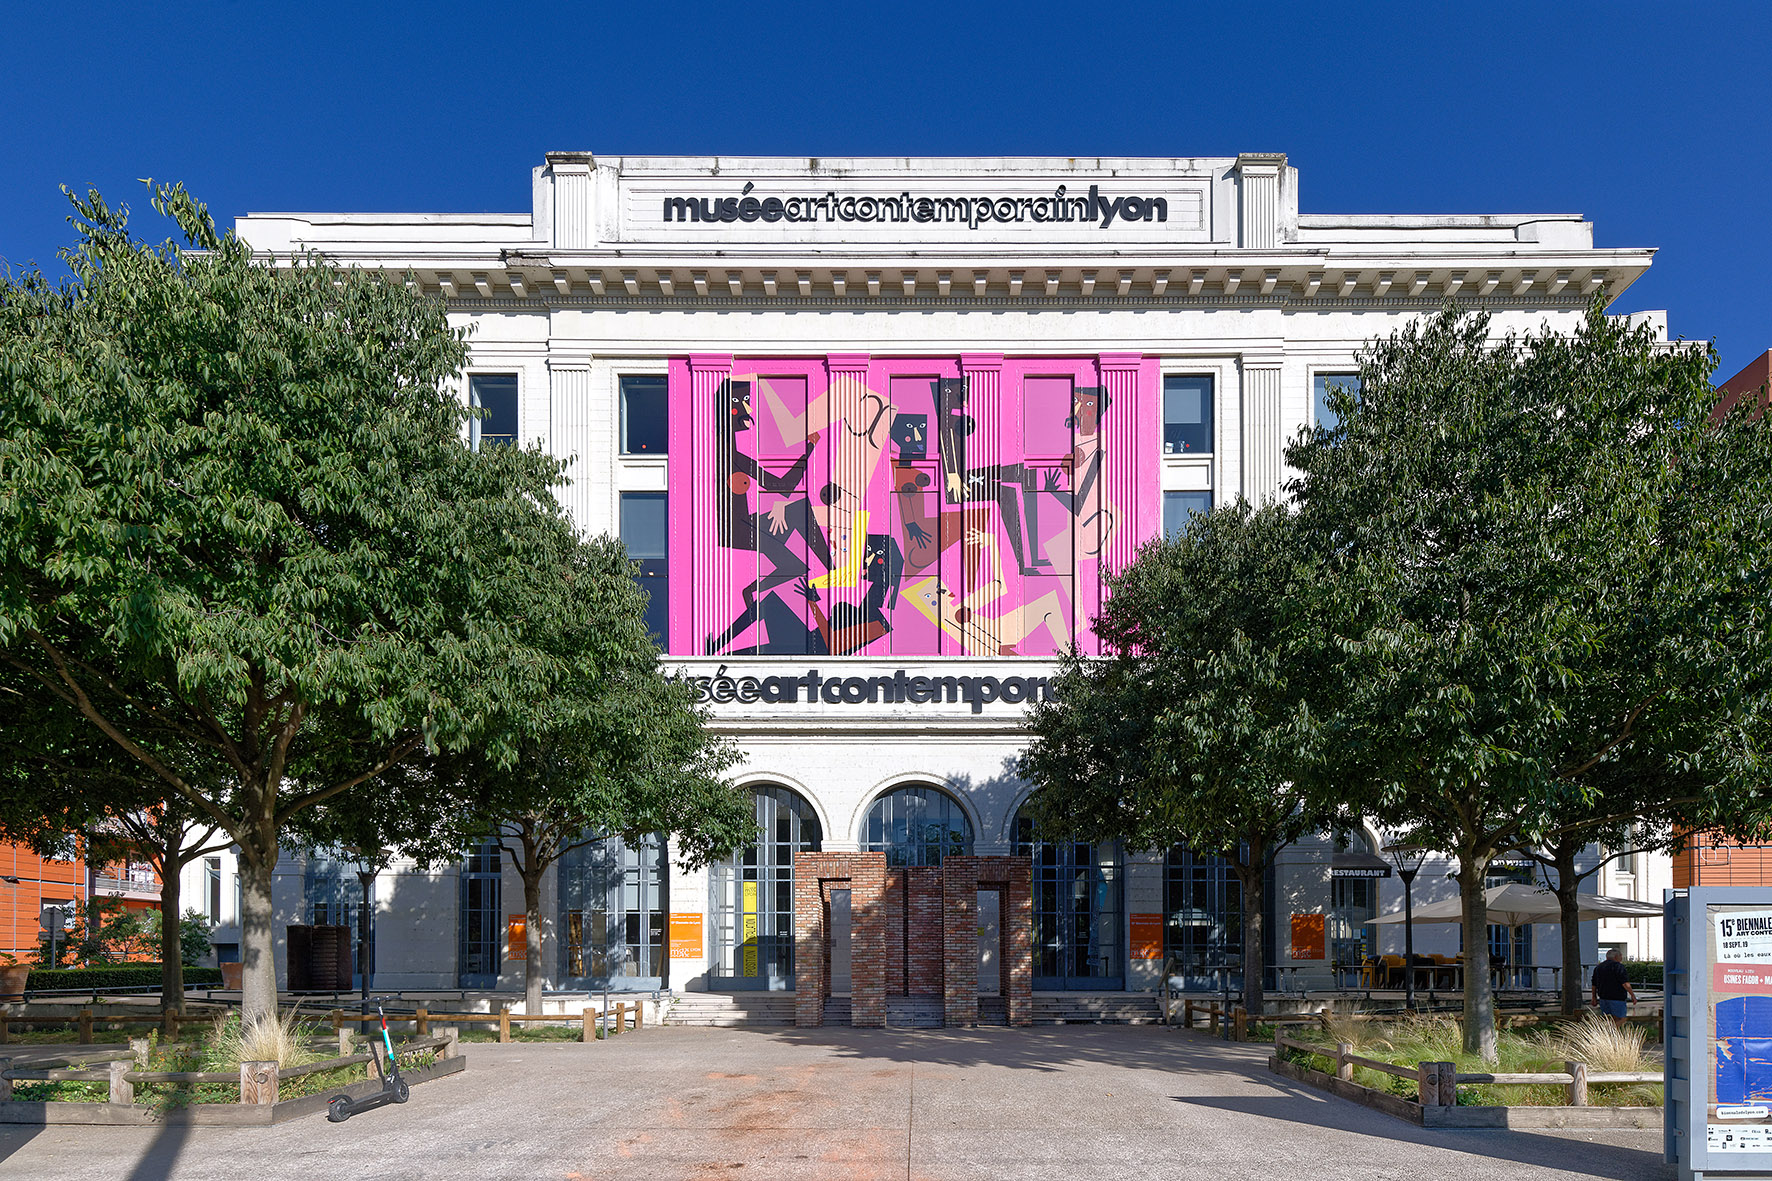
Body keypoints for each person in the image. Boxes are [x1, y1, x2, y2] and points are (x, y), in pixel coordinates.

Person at [1591, 948, 1637, 1023]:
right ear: (1616, 957)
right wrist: (1632, 995)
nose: (1621, 958)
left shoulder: (1599, 967)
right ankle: (1611, 1033)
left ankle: (1608, 1032)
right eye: (1621, 956)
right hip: (1617, 998)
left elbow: (1594, 984)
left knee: (1608, 1020)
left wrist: (1594, 997)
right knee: (1621, 1019)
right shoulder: (1618, 967)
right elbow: (1625, 983)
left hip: (1603, 998)